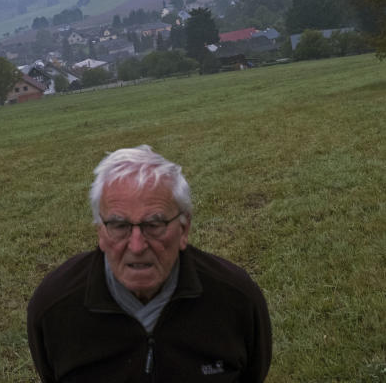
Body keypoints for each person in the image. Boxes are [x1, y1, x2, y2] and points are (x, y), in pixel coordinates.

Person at [27, 145, 272, 382]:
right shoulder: (54, 308)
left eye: (154, 225)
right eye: (119, 226)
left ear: (184, 229)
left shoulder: (236, 299)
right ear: (100, 232)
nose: (137, 246)